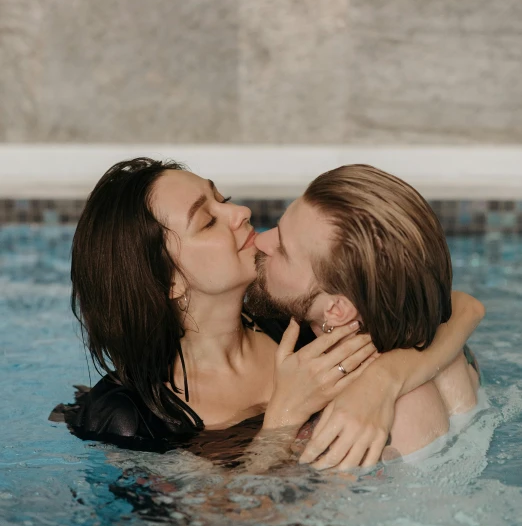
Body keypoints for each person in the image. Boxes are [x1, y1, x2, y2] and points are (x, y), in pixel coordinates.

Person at [50, 158, 484, 469]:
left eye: (223, 199)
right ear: (168, 283)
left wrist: (383, 379)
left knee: (431, 383)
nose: (240, 214)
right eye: (208, 222)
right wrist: (283, 417)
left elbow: (456, 308)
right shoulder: (131, 418)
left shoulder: (285, 317)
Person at [250, 164, 482, 468]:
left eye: (283, 250)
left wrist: (281, 422)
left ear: (336, 310)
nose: (260, 241)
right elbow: (467, 305)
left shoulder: (387, 418)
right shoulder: (446, 350)